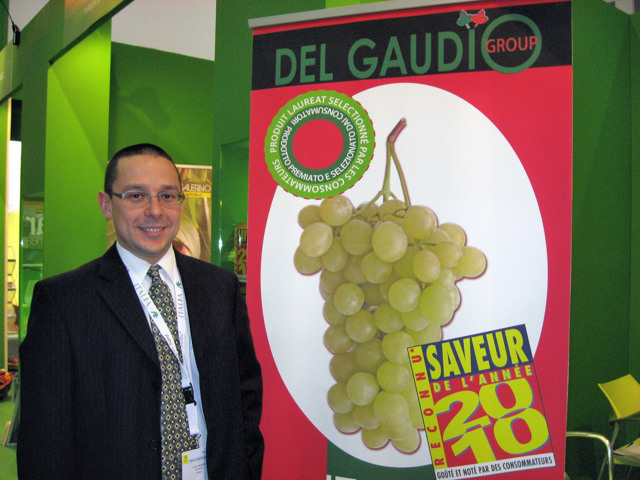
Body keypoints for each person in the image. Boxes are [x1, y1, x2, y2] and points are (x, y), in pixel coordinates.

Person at [17, 144, 263, 480]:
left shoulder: (219, 287)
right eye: (136, 196)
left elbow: (245, 395)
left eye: (167, 195)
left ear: (180, 203)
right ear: (106, 204)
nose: (155, 211)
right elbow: (44, 436)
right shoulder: (64, 301)